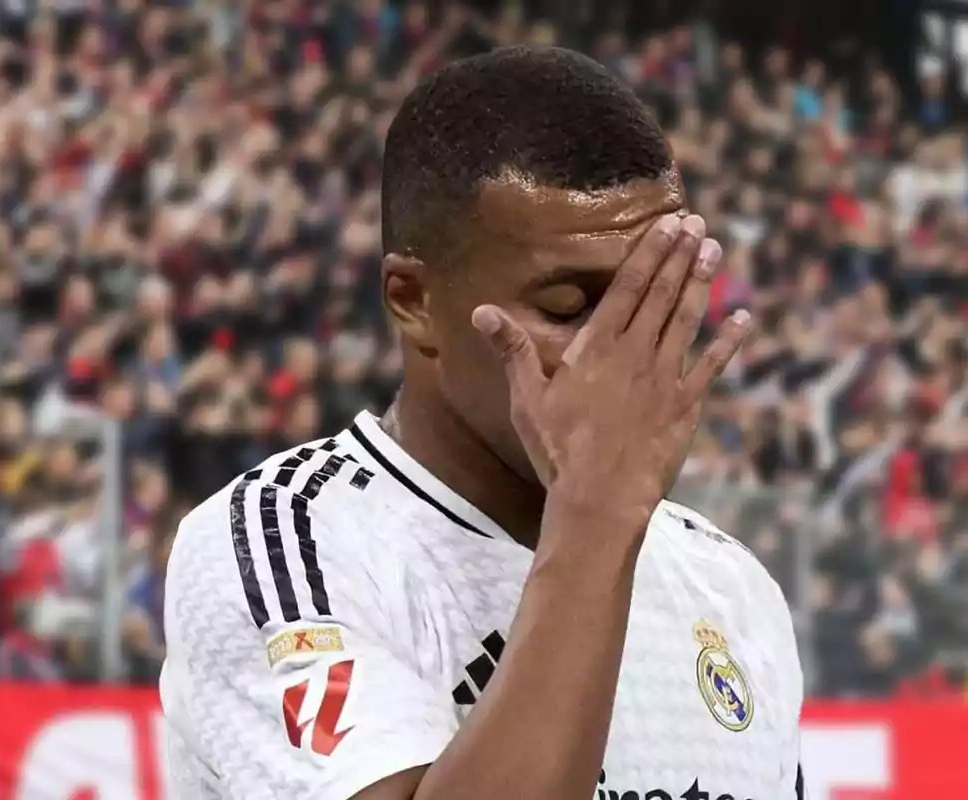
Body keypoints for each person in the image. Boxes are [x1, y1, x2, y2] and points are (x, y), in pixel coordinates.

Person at [160, 45, 804, 800]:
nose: (620, 354)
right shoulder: (287, 539)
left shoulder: (728, 584)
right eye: (567, 308)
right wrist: (595, 513)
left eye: (652, 300)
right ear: (412, 299)